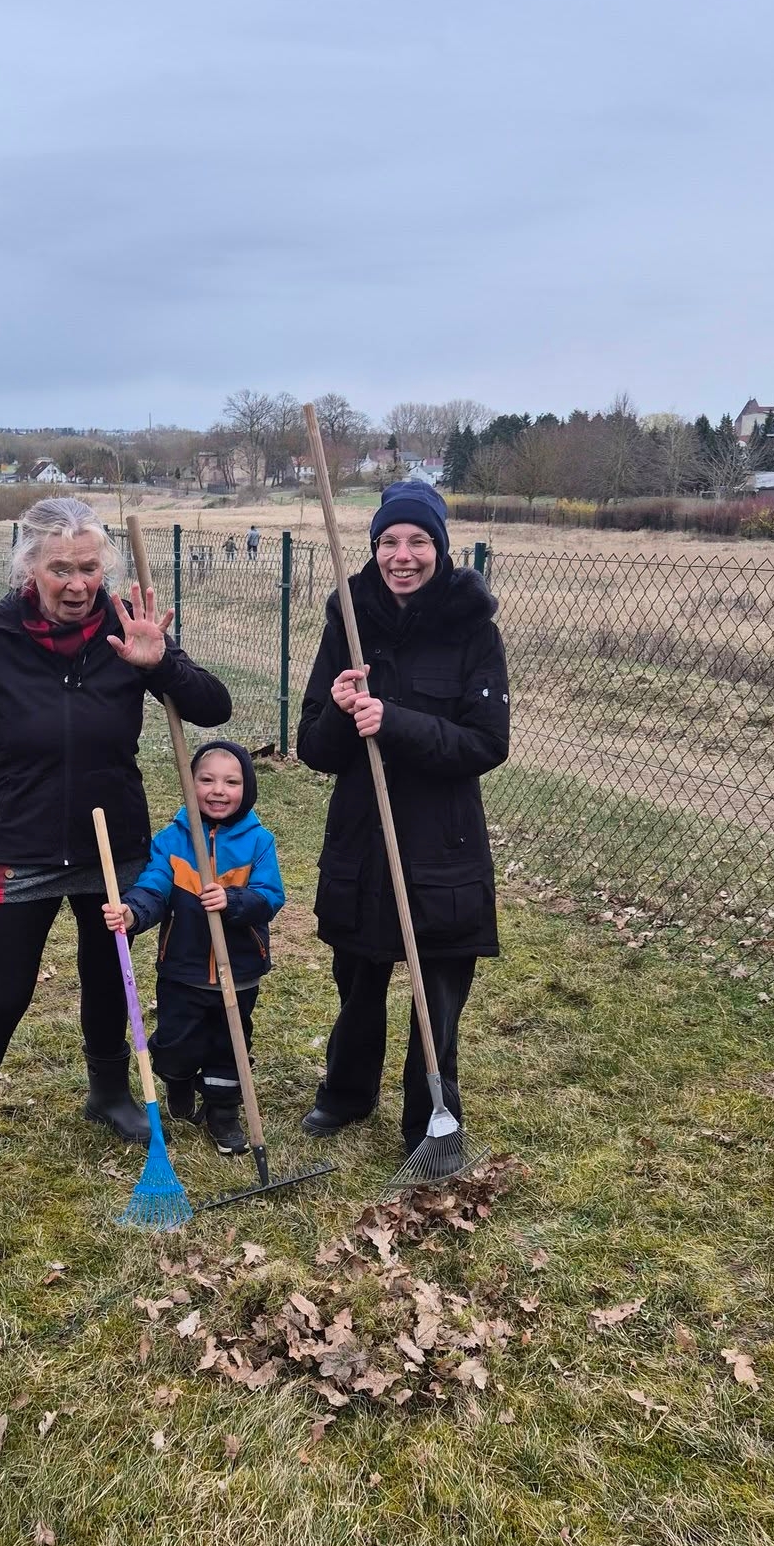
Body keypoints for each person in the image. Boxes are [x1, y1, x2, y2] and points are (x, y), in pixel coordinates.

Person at [0, 496, 232, 1208]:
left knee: (109, 972)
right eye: (60, 570)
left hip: (113, 839)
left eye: (88, 568)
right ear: (30, 569)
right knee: (5, 993)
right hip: (19, 841)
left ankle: (108, 1092)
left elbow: (213, 707)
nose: (78, 584)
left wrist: (161, 663)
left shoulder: (127, 626)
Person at [295, 482, 509, 1156]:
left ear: (440, 548)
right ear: (373, 548)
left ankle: (431, 1119)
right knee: (358, 977)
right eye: (388, 541)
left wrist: (394, 721)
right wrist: (340, 711)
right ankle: (347, 1092)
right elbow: (313, 748)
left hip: (443, 842)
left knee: (437, 990)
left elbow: (486, 743)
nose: (402, 555)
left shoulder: (473, 630)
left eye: (418, 540)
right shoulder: (348, 621)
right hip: (363, 835)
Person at [103, 741, 282, 1155]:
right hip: (183, 969)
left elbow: (270, 896)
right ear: (189, 783)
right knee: (175, 1044)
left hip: (238, 970)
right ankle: (179, 1078)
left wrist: (233, 901)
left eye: (231, 782)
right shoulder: (173, 840)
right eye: (206, 780)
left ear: (248, 788)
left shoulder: (258, 842)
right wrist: (132, 912)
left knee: (229, 1044)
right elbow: (154, 886)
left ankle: (223, 1112)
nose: (218, 790)